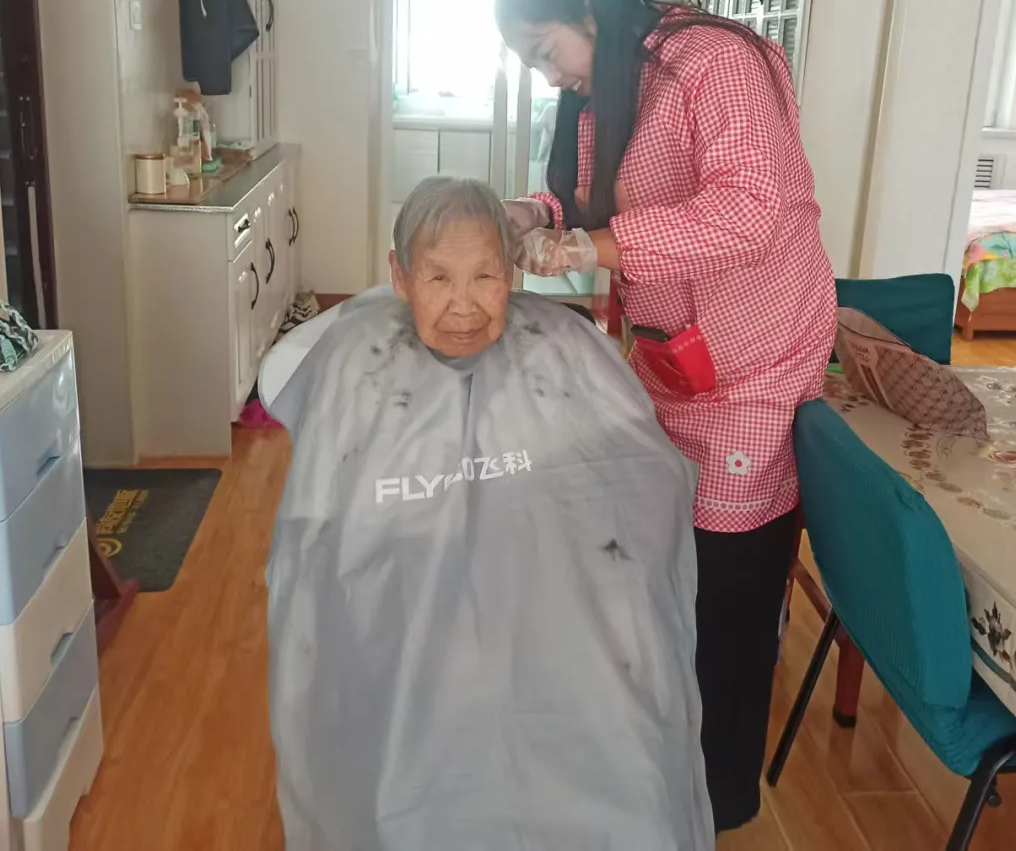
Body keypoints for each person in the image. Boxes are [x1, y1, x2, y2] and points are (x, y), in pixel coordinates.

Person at [262, 177, 715, 851]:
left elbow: (638, 486)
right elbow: (319, 552)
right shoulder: (360, 370)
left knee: (621, 741)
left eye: (486, 276)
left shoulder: (565, 353)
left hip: (549, 624)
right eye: (438, 277)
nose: (464, 305)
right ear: (399, 276)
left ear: (513, 275)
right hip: (411, 639)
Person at [495, 0, 838, 834]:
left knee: (731, 586)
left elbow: (749, 210)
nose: (549, 75)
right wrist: (539, 213)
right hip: (678, 361)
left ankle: (719, 799)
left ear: (588, 9)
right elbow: (587, 194)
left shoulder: (713, 64)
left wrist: (596, 249)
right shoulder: (606, 84)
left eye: (545, 51)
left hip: (755, 360)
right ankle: (665, 755)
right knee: (674, 568)